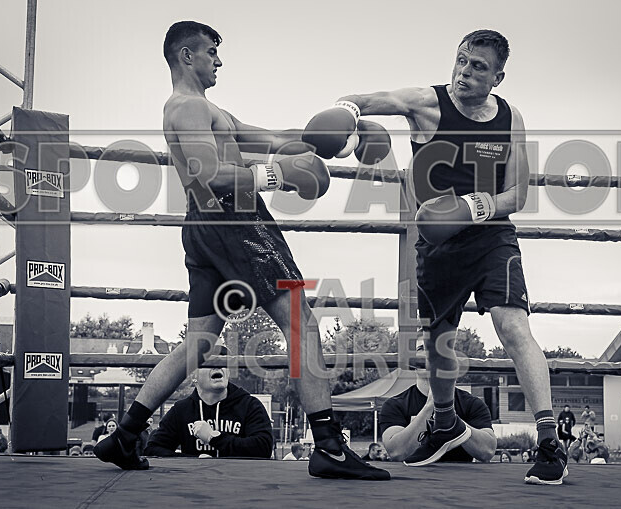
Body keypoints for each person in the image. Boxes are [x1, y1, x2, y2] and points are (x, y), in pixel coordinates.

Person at [93, 20, 389, 481]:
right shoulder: (187, 108)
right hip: (235, 221)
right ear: (186, 56)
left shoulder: (211, 112)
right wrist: (275, 174)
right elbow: (210, 174)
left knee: (198, 343)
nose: (219, 59)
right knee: (302, 325)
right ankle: (329, 446)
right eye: (211, 51)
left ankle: (125, 435)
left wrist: (339, 139)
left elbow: (272, 138)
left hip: (208, 229)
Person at [335, 29, 567, 485]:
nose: (464, 72)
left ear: (497, 77)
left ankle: (548, 442)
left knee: (513, 326)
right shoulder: (426, 103)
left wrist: (474, 206)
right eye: (461, 60)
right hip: (437, 245)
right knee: (439, 344)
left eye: (477, 66)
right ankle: (443, 420)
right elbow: (359, 99)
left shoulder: (510, 119)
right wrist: (344, 124)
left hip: (490, 238)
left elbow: (517, 194)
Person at [379, 348, 496, 464]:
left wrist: (449, 416)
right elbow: (396, 452)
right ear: (412, 359)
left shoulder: (472, 403)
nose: (428, 353)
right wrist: (431, 405)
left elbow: (487, 452)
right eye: (421, 348)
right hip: (412, 479)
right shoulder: (395, 404)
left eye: (434, 348)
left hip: (460, 480)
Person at [143, 356, 273, 458]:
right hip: (194, 486)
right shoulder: (181, 410)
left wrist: (213, 437)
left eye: (223, 360)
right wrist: (194, 461)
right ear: (194, 375)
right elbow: (153, 449)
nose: (218, 365)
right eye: (209, 360)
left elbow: (264, 448)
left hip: (238, 485)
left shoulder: (250, 405)